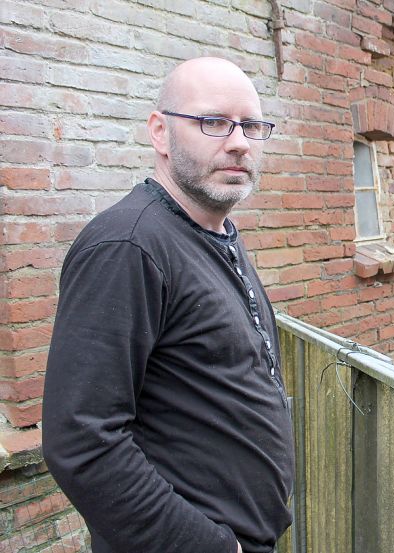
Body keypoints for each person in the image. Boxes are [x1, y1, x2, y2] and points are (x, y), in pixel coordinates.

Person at [42, 57, 295, 553]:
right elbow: (82, 442)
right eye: (213, 122)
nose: (239, 141)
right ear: (160, 132)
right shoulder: (127, 246)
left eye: (252, 125)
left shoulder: (215, 232)